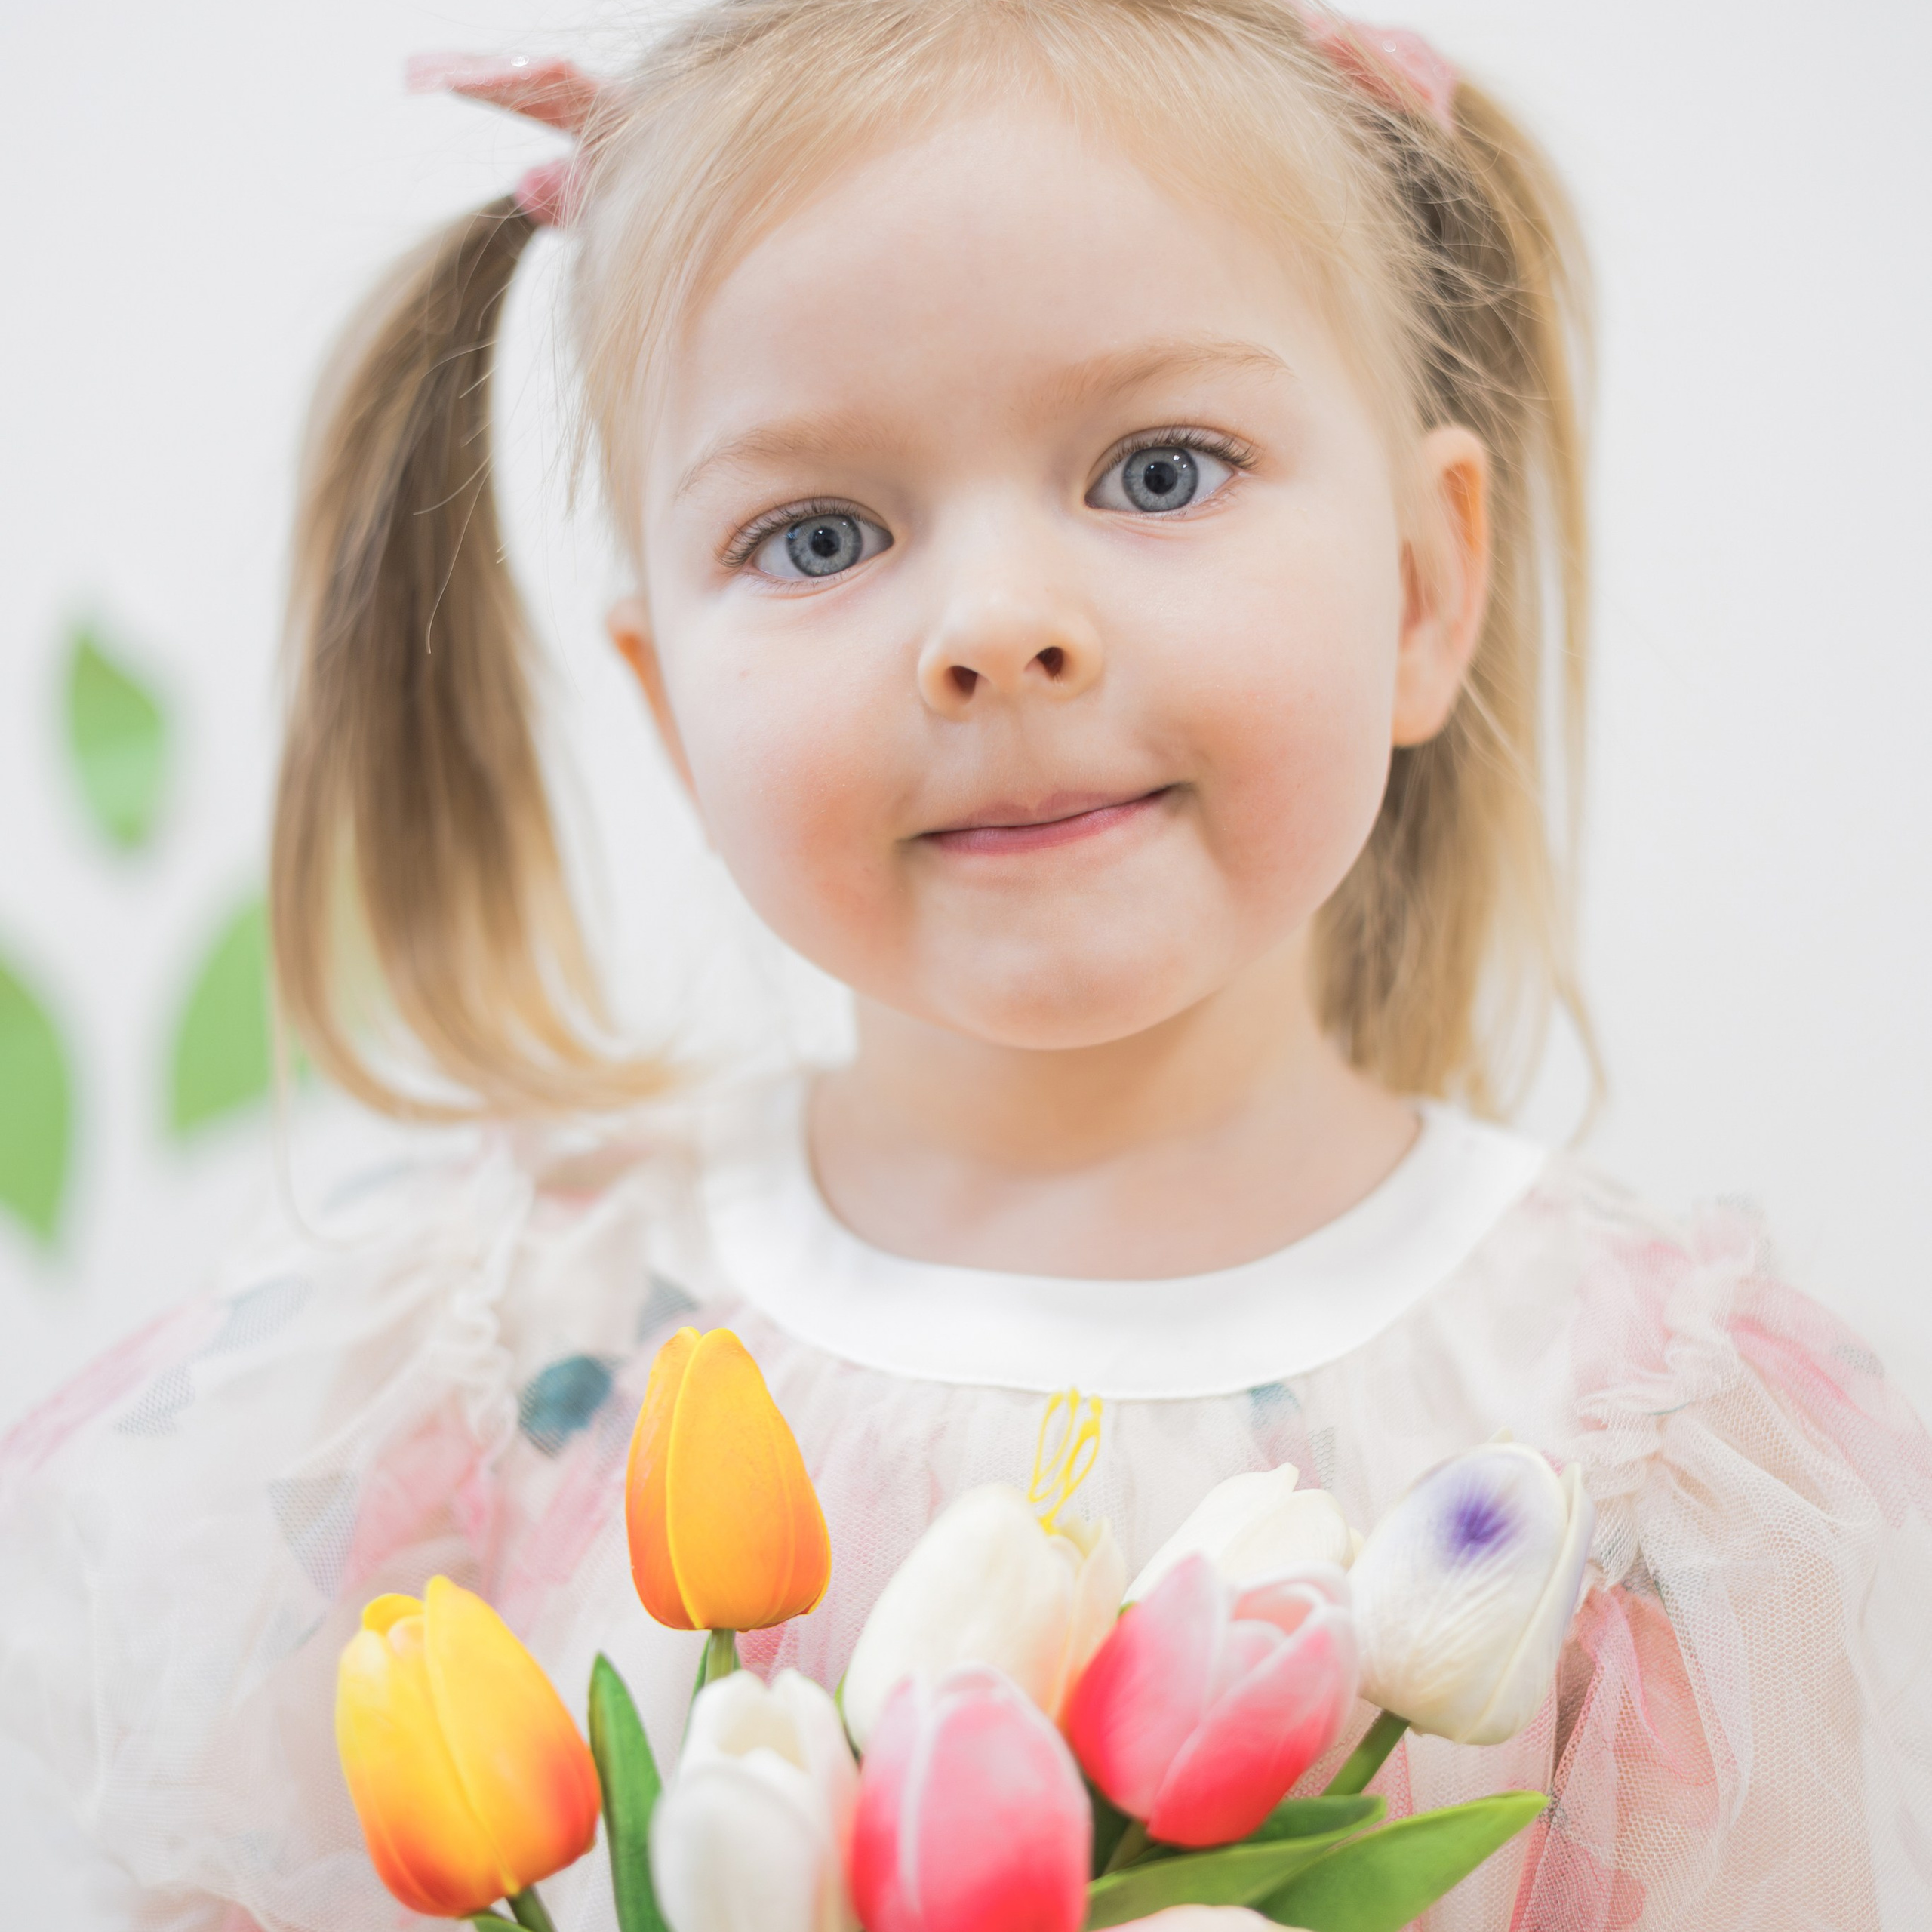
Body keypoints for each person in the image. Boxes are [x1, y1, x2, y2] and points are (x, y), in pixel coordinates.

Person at [3, 1, 1928, 1925]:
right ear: (673, 716)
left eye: (1161, 470)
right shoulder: (479, 1373)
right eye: (819, 530)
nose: (996, 626)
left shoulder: (1635, 1457)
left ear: (1424, 590)